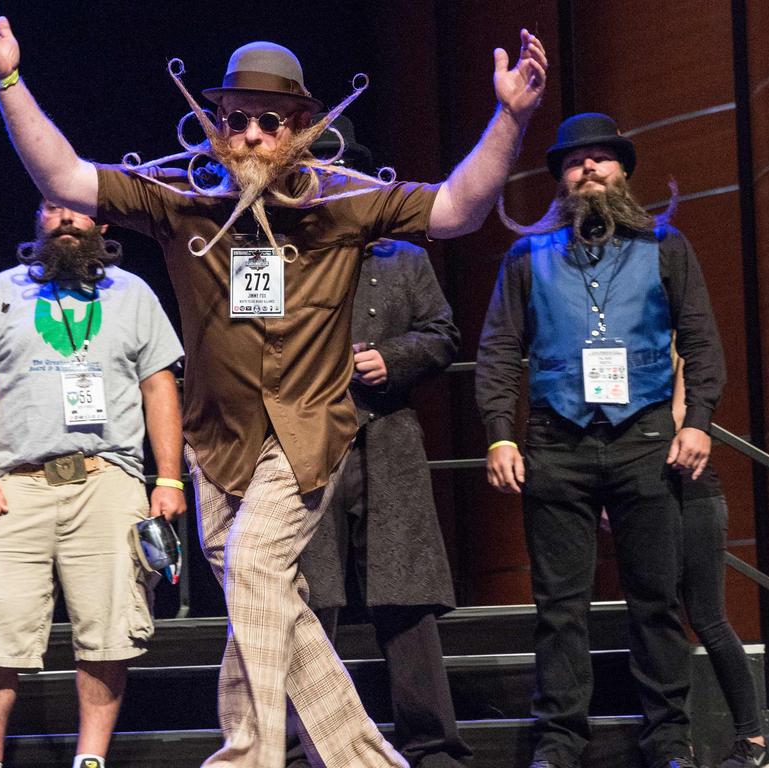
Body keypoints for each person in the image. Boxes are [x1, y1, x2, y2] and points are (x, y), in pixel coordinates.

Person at [0, 3, 547, 764]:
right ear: (217, 122)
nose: (249, 134)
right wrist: (6, 78)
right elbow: (64, 175)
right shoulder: (185, 199)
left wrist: (509, 119)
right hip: (219, 442)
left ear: (302, 126)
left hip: (305, 432)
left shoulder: (341, 201)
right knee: (272, 601)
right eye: (237, 118)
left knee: (253, 569)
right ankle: (357, 758)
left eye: (269, 122)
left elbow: (458, 208)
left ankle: (249, 756)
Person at [476, 111, 726, 768]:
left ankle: (670, 740)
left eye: (601, 158)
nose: (588, 167)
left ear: (622, 171)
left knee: (656, 599)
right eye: (574, 160)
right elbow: (500, 351)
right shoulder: (526, 256)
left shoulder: (666, 248)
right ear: (560, 176)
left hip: (647, 441)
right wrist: (501, 436)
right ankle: (559, 742)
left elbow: (701, 342)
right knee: (559, 607)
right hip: (556, 448)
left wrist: (697, 419)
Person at [0, 199, 185, 768]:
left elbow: (160, 388)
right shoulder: (2, 290)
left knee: (109, 626)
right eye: (54, 208)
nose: (67, 219)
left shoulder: (133, 293)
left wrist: (168, 477)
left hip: (107, 478)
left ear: (102, 224)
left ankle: (90, 759)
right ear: (38, 220)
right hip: (14, 485)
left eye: (79, 209)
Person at [285, 115, 469, 768]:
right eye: (321, 175)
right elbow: (242, 345)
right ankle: (302, 747)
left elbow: (444, 334)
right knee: (310, 597)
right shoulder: (273, 256)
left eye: (345, 175)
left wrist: (392, 358)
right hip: (304, 443)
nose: (333, 186)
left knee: (406, 596)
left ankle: (433, 747)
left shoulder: (405, 257)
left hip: (387, 439)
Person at [671, 359, 769, 768]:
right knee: (660, 623)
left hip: (694, 497)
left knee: (708, 617)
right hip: (645, 502)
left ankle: (754, 743)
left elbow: (680, 416)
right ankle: (675, 745)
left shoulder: (678, 355)